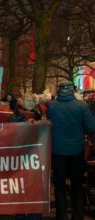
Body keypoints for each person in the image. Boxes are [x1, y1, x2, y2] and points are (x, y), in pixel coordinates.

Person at [47, 81, 95, 220]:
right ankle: (77, 215)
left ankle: (61, 215)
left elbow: (50, 122)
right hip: (76, 151)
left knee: (60, 185)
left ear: (59, 90)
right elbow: (91, 127)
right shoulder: (81, 106)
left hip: (58, 151)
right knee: (77, 185)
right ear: (72, 90)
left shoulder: (52, 106)